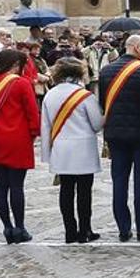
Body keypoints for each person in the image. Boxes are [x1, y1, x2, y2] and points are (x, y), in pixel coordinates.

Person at [99, 34, 140, 242]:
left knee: (119, 181)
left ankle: (123, 228)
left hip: (115, 134)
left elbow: (103, 103)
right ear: (135, 48)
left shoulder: (106, 71)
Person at [0, 49, 41, 243]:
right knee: (17, 186)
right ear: (16, 65)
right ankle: (20, 228)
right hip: (18, 140)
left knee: (0, 186)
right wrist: (35, 133)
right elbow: (32, 113)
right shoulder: (21, 83)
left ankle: (7, 227)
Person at [41, 58, 103, 243]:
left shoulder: (50, 95)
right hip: (83, 148)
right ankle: (85, 231)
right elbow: (97, 124)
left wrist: (47, 153)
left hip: (61, 147)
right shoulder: (85, 96)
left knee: (66, 190)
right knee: (84, 191)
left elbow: (45, 126)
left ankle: (70, 231)